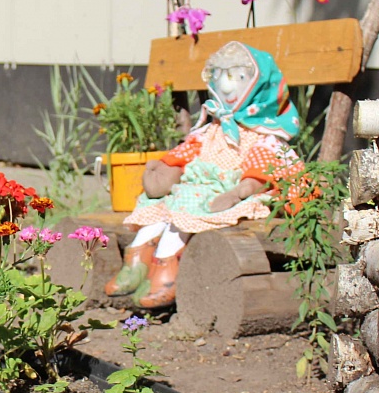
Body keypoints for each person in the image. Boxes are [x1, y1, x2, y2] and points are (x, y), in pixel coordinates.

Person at [106, 42, 302, 309]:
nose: (227, 87)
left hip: (229, 190)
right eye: (220, 77)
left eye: (237, 77)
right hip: (196, 187)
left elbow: (262, 167)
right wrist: (167, 168)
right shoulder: (212, 129)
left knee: (188, 203)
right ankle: (137, 261)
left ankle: (167, 262)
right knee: (159, 203)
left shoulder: (264, 136)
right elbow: (187, 151)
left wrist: (240, 190)